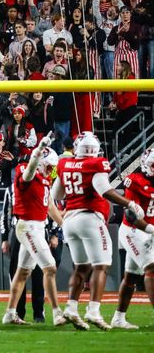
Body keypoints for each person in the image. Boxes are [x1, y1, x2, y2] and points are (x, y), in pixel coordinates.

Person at [52, 131, 145, 330]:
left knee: (81, 267)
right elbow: (104, 189)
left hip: (70, 220)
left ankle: (71, 307)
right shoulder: (97, 164)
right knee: (101, 265)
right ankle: (93, 310)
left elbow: (57, 194)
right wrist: (129, 204)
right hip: (89, 218)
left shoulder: (64, 163)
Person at [1, 135, 71, 327]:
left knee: (23, 272)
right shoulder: (28, 172)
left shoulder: (45, 181)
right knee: (49, 267)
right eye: (48, 167)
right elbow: (29, 171)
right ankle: (57, 313)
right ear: (40, 163)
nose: (51, 171)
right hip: (28, 226)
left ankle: (10, 313)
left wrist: (65, 225)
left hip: (38, 227)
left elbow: (49, 207)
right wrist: (38, 151)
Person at [111, 148, 154, 329]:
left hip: (150, 232)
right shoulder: (135, 181)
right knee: (151, 268)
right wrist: (152, 228)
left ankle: (118, 318)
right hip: (133, 231)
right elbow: (131, 215)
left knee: (130, 277)